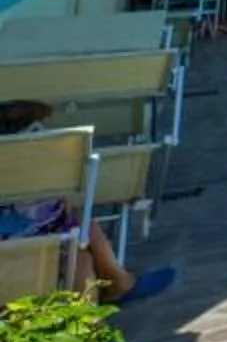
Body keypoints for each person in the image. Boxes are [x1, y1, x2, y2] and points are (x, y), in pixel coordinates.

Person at [0, 102, 176, 323]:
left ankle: (118, 283)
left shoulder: (21, 187)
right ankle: (95, 327)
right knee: (80, 257)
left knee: (82, 225)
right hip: (20, 255)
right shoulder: (32, 187)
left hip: (23, 242)